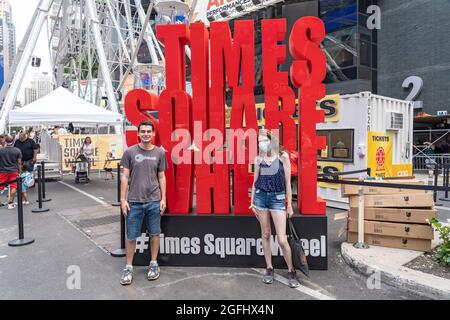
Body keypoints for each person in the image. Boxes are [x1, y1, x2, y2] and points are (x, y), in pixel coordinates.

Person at [249, 129, 300, 288]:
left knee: (282, 239)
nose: (262, 144)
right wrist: (252, 202)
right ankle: (269, 268)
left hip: (278, 199)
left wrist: (289, 205)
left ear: (272, 141)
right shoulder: (258, 159)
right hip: (260, 198)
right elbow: (255, 181)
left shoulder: (283, 157)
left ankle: (291, 271)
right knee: (265, 234)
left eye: (264, 140)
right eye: (259, 142)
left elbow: (287, 184)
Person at [120, 120, 168, 286]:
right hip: (134, 202)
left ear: (153, 133)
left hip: (154, 201)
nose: (146, 133)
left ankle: (153, 264)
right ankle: (128, 267)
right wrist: (123, 199)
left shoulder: (160, 153)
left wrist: (163, 199)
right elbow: (125, 176)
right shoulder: (130, 153)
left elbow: (162, 177)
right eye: (143, 131)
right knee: (131, 236)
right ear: (138, 133)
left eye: (149, 131)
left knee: (155, 233)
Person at [0, 135, 22, 209]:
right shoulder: (17, 150)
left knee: (0, 187)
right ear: (13, 142)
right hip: (13, 171)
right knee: (13, 186)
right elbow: (19, 163)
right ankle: (10, 203)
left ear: (5, 141)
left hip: (3, 171)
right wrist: (20, 172)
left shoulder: (1, 150)